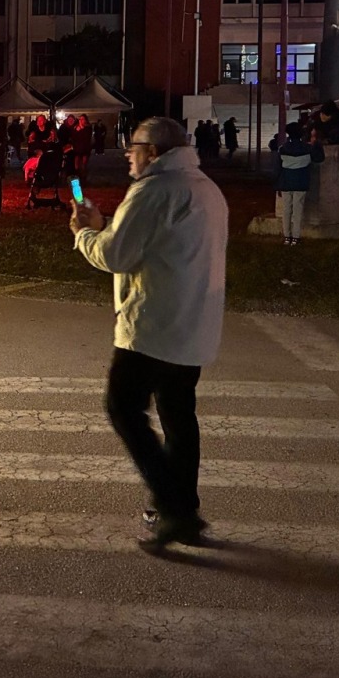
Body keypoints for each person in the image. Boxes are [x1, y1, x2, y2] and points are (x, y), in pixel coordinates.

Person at [69, 117, 228, 551]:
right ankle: (182, 507)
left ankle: (175, 508)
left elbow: (115, 255)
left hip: (152, 326)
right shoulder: (205, 189)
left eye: (133, 146)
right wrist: (106, 224)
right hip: (194, 324)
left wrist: (85, 232)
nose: (127, 154)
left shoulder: (153, 190)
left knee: (124, 409)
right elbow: (154, 244)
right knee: (178, 417)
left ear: (153, 152)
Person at [274, 122, 323, 245]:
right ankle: (296, 238)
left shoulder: (283, 148)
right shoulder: (307, 148)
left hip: (285, 182)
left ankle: (287, 237)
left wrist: (277, 185)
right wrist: (317, 143)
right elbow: (319, 158)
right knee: (298, 210)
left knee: (286, 210)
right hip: (301, 182)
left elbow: (278, 168)